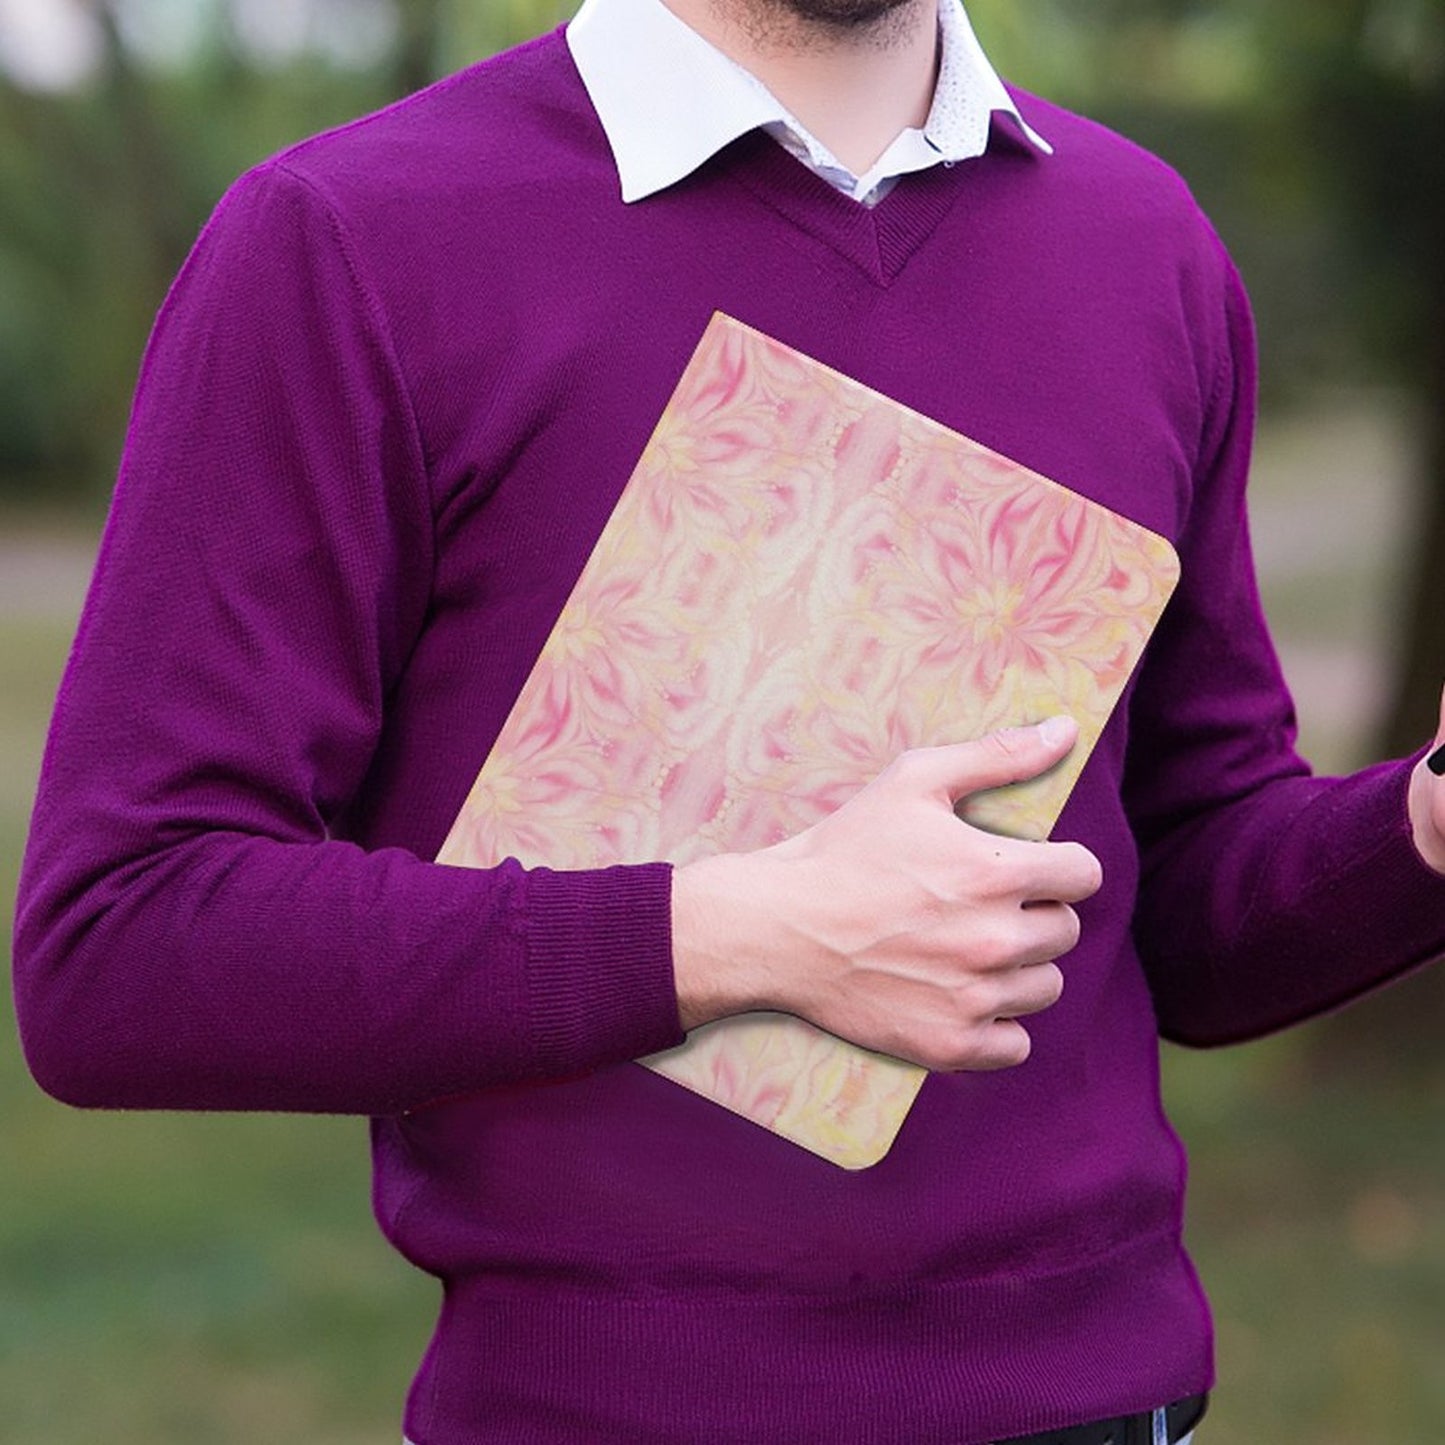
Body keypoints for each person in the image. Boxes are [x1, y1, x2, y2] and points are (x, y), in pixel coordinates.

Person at [13, 0, 1445, 1439]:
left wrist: (1421, 824)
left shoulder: (1142, 238)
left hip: (1117, 1403)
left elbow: (1180, 904)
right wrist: (733, 934)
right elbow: (119, 942)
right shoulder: (350, 241)